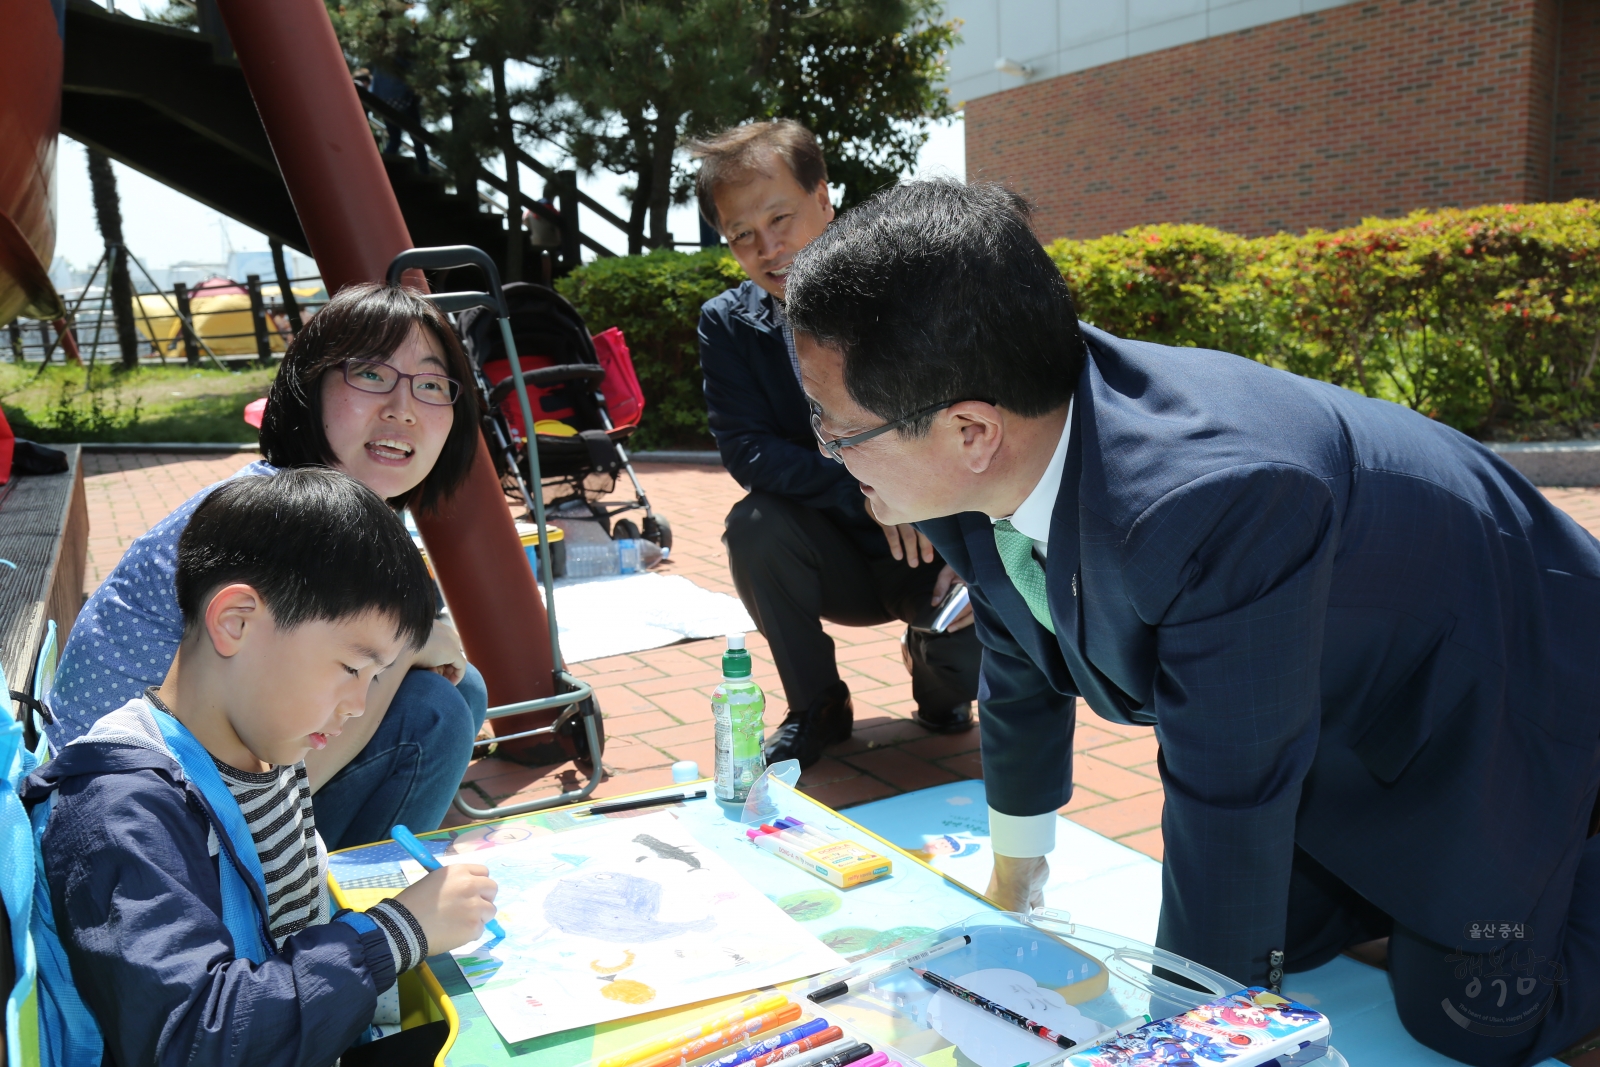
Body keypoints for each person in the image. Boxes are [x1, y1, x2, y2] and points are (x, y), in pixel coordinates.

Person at [784, 180, 1600, 1067]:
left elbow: (1231, 796)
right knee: (1281, 931)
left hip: (1505, 670)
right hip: (1337, 688)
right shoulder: (983, 440)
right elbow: (1016, 654)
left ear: (971, 429)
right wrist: (1016, 875)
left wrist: (1193, 1048)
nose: (828, 449)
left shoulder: (1211, 500)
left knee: (1471, 1014)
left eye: (838, 429)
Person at [23, 469, 499, 1067]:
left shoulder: (265, 750)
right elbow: (198, 1038)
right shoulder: (123, 811)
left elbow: (291, 925)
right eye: (353, 669)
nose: (359, 705)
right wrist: (395, 932)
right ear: (236, 623)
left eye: (375, 678)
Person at [48, 283, 489, 850]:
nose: (401, 409)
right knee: (434, 715)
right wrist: (402, 651)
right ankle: (361, 912)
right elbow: (281, 774)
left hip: (196, 785)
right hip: (148, 825)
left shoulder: (306, 504)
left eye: (430, 385)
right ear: (310, 387)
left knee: (459, 685)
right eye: (372, 375)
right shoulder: (291, 529)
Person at [691, 120, 982, 767]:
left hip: (928, 538)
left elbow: (965, 429)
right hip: (828, 551)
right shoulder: (727, 325)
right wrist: (870, 491)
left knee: (969, 666)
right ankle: (817, 703)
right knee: (754, 527)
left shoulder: (901, 301)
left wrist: (962, 533)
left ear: (824, 198)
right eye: (743, 235)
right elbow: (747, 449)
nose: (769, 248)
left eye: (780, 217)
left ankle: (935, 679)